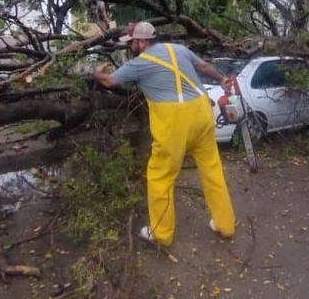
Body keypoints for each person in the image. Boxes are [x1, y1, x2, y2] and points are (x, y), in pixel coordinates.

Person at [93, 21, 236, 246]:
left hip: (174, 122)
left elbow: (110, 81)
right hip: (201, 113)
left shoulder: (139, 64)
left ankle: (161, 233)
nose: (130, 46)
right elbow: (204, 67)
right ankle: (225, 224)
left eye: (132, 43)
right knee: (212, 168)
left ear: (141, 42)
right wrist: (222, 79)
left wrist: (96, 74)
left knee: (160, 176)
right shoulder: (178, 49)